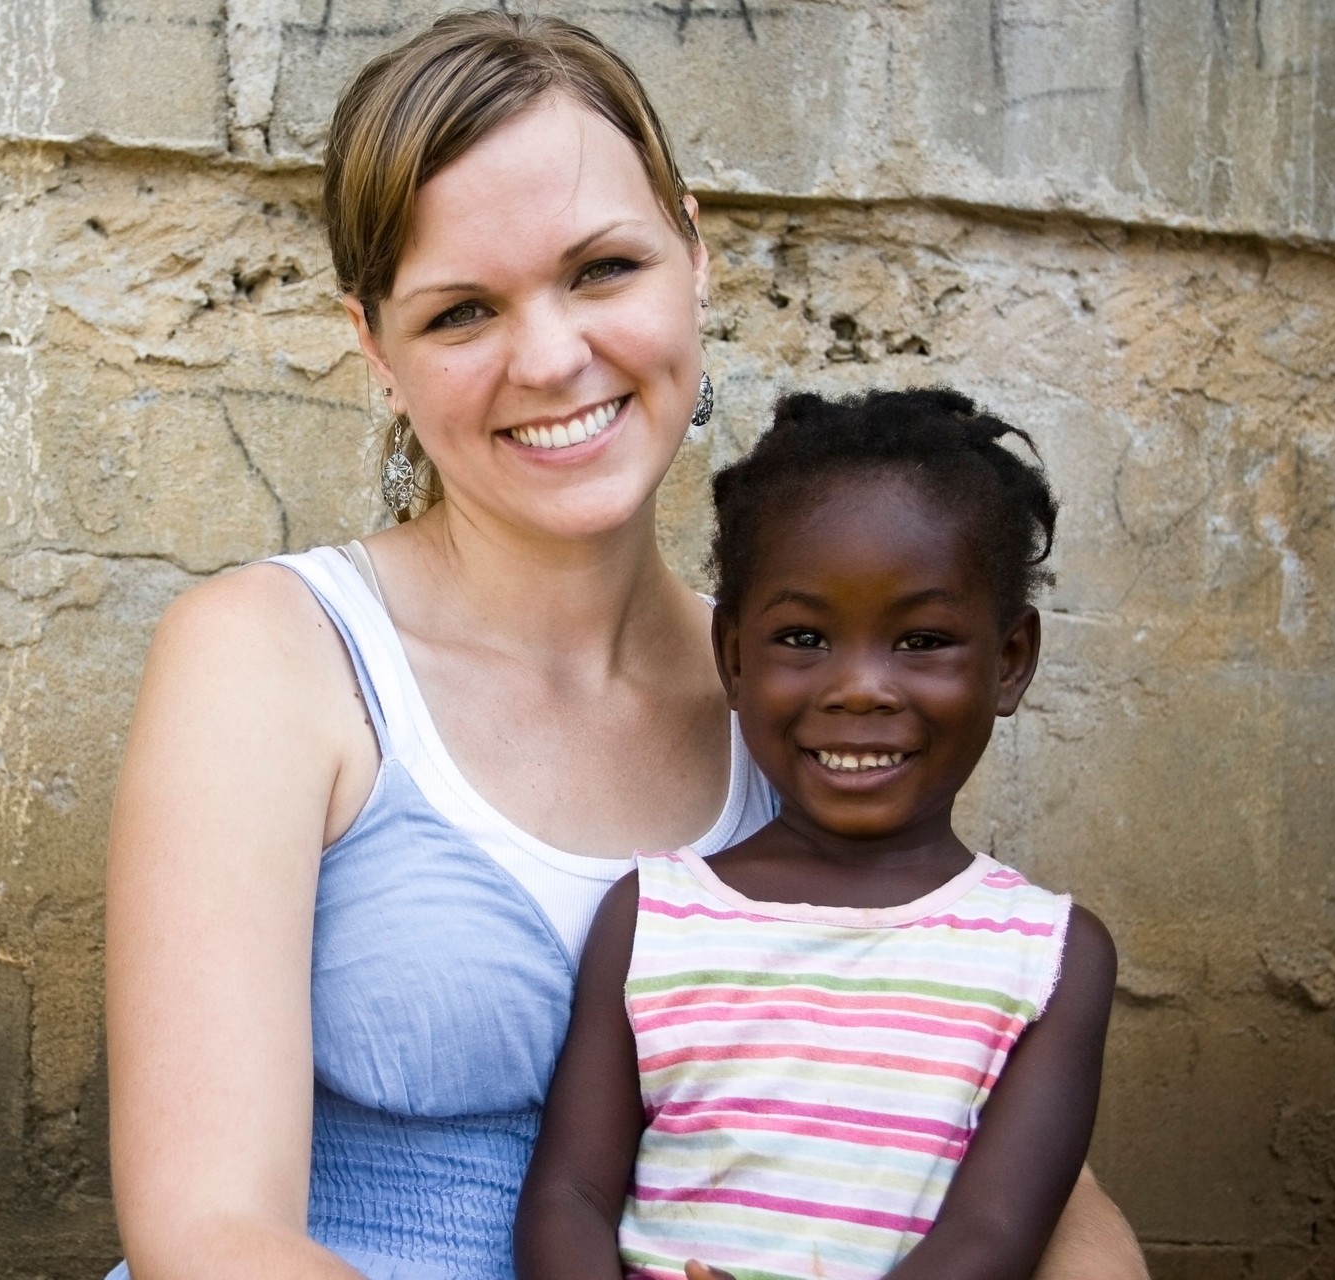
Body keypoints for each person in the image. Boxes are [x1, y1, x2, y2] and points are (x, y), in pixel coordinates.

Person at [103, 13, 1146, 1280]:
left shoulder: (805, 692)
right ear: (374, 349)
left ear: (694, 256)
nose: (551, 358)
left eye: (602, 269)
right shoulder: (270, 659)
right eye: (460, 312)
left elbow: (1022, 1163)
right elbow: (208, 1234)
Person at [515, 389, 1117, 1280]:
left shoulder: (1050, 957)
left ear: (1011, 661)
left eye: (921, 640)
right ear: (731, 656)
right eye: (804, 637)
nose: (861, 689)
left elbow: (989, 1239)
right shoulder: (654, 919)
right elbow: (569, 1197)